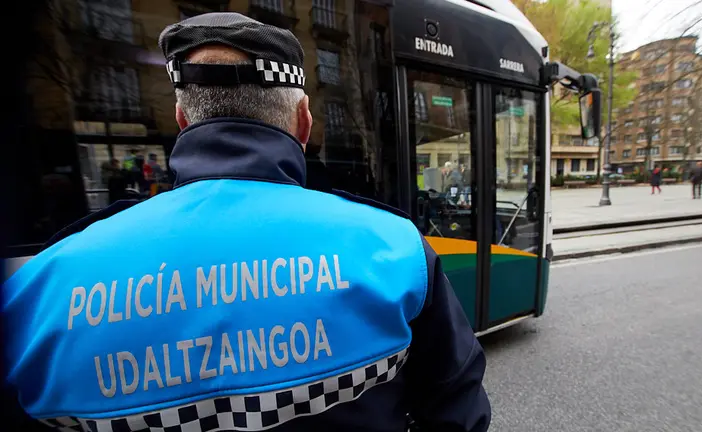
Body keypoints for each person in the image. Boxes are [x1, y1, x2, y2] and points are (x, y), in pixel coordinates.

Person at [2, 12, 491, 432]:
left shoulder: (38, 291)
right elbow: (458, 410)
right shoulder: (396, 248)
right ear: (303, 122)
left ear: (181, 118)